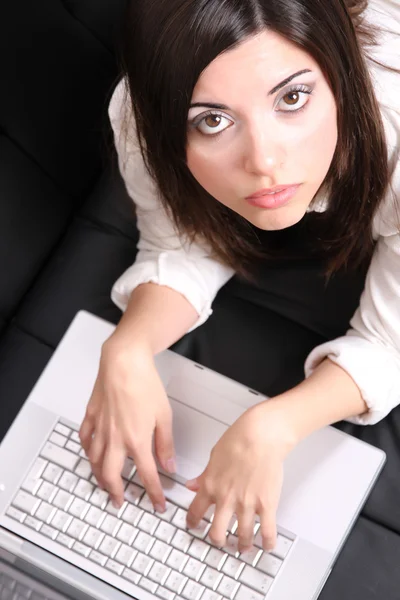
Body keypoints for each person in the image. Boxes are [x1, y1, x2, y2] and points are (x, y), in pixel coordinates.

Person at [79, 0, 400, 554]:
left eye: (292, 99)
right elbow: (178, 240)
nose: (265, 162)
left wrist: (274, 427)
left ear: (341, 71)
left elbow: (390, 343)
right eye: (213, 121)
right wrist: (128, 345)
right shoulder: (142, 113)